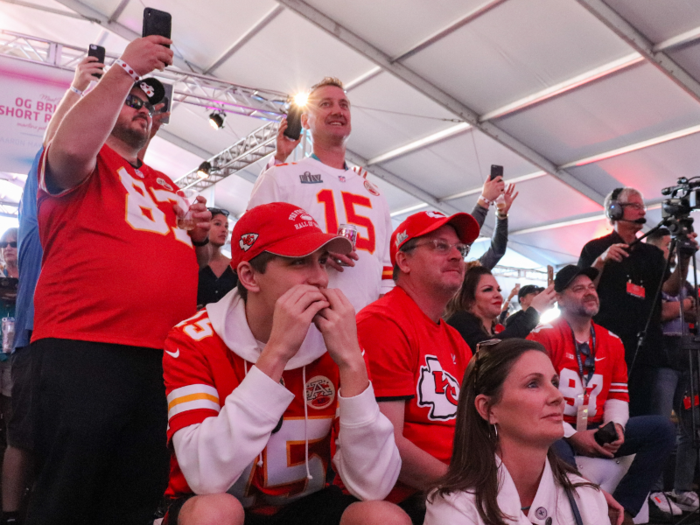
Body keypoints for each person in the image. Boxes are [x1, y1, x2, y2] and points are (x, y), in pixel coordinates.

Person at [28, 36, 212, 525]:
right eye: (132, 99)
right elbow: (67, 143)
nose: (142, 106)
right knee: (68, 494)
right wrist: (125, 70)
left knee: (134, 496)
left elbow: (175, 264)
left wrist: (197, 241)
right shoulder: (81, 163)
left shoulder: (168, 184)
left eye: (149, 103)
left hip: (161, 357)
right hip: (86, 345)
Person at [161, 202, 407, 525]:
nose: (321, 278)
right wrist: (277, 353)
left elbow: (374, 485)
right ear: (249, 276)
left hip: (305, 505)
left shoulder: (337, 341)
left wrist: (351, 363)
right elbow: (205, 476)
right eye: (299, 262)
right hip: (220, 504)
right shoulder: (193, 339)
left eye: (321, 261)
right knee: (214, 513)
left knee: (385, 518)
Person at [2, 56, 106, 525]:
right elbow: (55, 142)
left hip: (77, 342)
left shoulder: (89, 205)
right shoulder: (42, 193)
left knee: (60, 441)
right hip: (33, 339)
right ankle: (9, 514)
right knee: (23, 437)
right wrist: (76, 89)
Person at [356, 209, 479, 524]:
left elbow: (480, 426)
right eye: (440, 246)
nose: (456, 256)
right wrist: (469, 489)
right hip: (406, 496)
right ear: (404, 261)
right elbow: (387, 446)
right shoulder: (382, 322)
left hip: (455, 485)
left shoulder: (453, 339)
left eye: (460, 249)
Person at [527, 265, 675, 523]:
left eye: (592, 287)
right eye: (578, 288)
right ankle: (579, 510)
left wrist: (614, 428)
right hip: (555, 428)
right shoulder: (543, 337)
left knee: (661, 429)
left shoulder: (612, 341)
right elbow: (533, 402)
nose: (589, 292)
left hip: (596, 427)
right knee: (553, 442)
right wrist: (574, 436)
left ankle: (625, 512)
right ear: (559, 298)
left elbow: (618, 395)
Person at [424, 338, 610, 525]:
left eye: (554, 382)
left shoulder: (587, 497)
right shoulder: (453, 507)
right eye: (533, 384)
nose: (558, 397)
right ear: (488, 408)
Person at [247, 77, 393, 313]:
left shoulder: (375, 193)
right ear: (305, 120)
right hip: (301, 328)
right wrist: (317, 254)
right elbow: (252, 246)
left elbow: (386, 268)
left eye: (343, 105)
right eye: (325, 104)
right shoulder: (281, 177)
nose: (337, 111)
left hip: (364, 330)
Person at [578, 187, 695, 416]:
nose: (642, 210)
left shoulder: (650, 253)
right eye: (635, 205)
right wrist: (601, 262)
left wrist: (684, 259)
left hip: (646, 350)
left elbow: (669, 287)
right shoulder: (595, 248)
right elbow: (582, 289)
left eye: (643, 206)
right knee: (600, 412)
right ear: (614, 210)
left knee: (641, 414)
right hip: (606, 348)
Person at [646, 228, 700, 514]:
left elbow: (693, 312)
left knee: (692, 428)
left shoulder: (685, 284)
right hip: (663, 359)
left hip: (688, 355)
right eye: (669, 246)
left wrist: (683, 306)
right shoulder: (654, 281)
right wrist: (685, 307)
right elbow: (662, 313)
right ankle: (654, 490)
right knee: (661, 425)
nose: (674, 250)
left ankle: (681, 488)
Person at [446, 265, 555, 350]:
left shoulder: (495, 329)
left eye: (499, 290)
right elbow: (488, 350)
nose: (498, 295)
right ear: (469, 299)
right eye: (488, 289)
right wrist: (535, 311)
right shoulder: (460, 321)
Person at [471, 176, 518, 269]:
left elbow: (496, 252)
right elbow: (464, 240)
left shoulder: (465, 272)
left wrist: (502, 215)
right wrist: (484, 200)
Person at [197, 207, 237, 309]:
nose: (224, 230)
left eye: (226, 226)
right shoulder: (193, 263)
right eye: (217, 224)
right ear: (204, 226)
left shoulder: (235, 266)